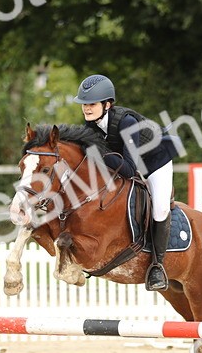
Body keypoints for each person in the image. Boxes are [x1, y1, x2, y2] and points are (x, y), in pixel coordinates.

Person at [72, 74, 179, 291]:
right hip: (130, 162)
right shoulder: (91, 124)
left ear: (107, 104)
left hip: (156, 163)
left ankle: (158, 266)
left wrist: (97, 153)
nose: (86, 109)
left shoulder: (126, 122)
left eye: (91, 104)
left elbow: (129, 169)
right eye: (84, 104)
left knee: (159, 209)